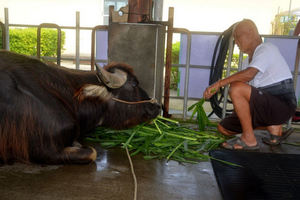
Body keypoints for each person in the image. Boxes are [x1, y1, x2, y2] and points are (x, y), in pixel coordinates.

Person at [203, 19, 297, 150]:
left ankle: (249, 139)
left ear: (251, 33)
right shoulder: (247, 61)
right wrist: (238, 114)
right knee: (223, 128)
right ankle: (273, 126)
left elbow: (248, 76)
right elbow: (242, 96)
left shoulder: (266, 48)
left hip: (282, 106)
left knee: (236, 87)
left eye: (238, 37)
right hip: (264, 108)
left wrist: (219, 84)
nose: (236, 42)